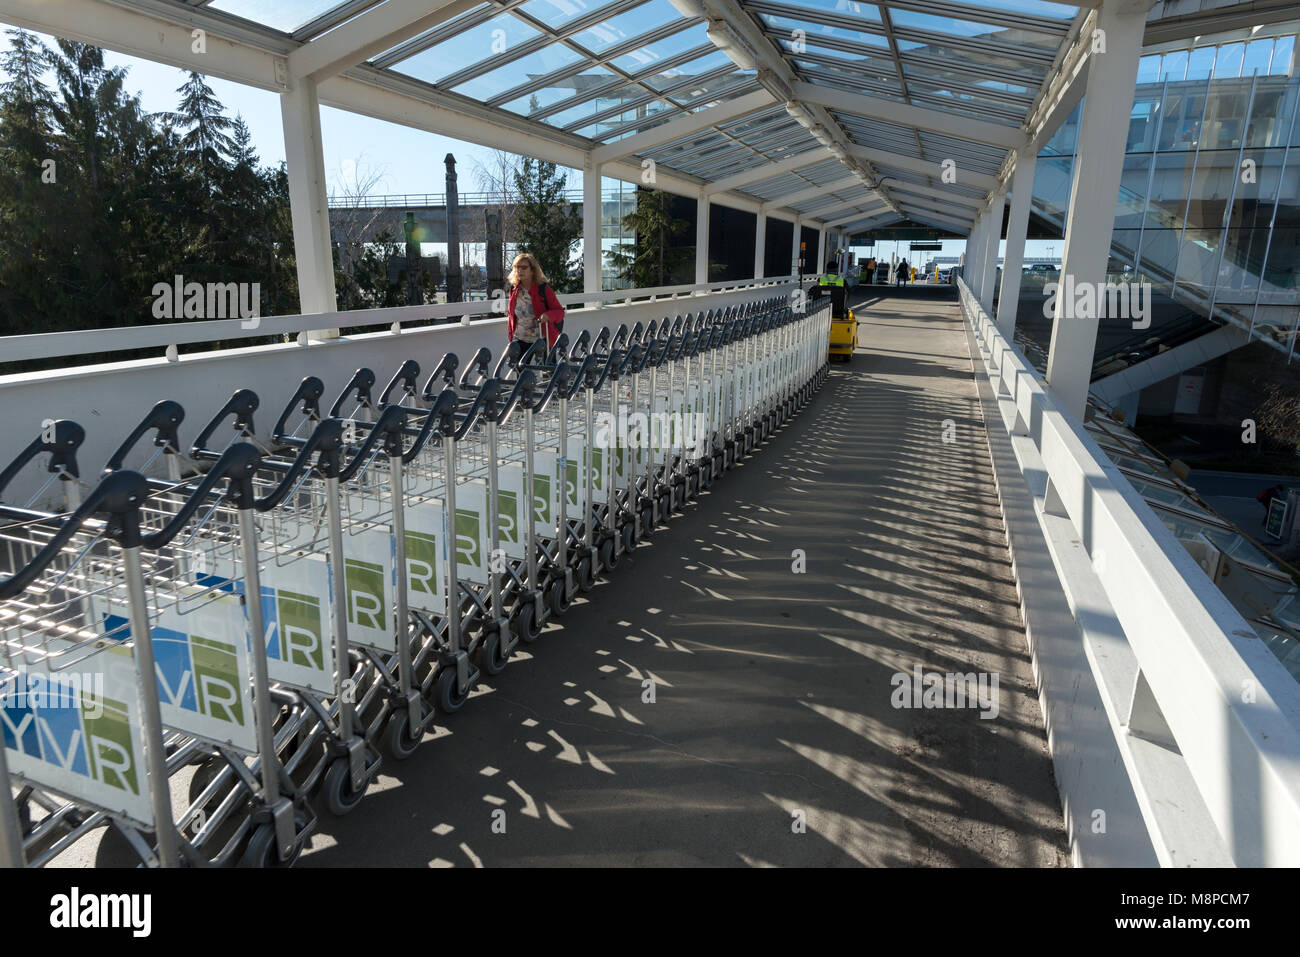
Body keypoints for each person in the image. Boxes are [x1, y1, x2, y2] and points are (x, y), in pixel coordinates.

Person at [506, 252, 565, 360]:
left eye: (524, 267)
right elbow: (511, 316)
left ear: (532, 270)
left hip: (543, 339)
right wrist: (511, 337)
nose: (520, 270)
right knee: (521, 373)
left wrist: (548, 315)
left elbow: (560, 312)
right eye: (517, 267)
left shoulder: (543, 289)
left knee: (548, 373)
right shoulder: (514, 290)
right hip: (521, 339)